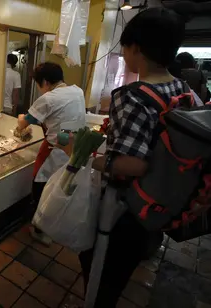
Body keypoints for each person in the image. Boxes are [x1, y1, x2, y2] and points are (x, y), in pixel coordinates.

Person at [81, 8, 189, 307]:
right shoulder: (182, 88)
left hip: (126, 208)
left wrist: (94, 160)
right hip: (164, 199)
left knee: (100, 274)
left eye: (125, 48)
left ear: (135, 48)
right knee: (124, 267)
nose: (125, 55)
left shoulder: (132, 95)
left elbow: (133, 164)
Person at [16, 62, 86, 245]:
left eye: (39, 85)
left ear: (45, 82)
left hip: (55, 148)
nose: (40, 90)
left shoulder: (49, 98)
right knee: (61, 185)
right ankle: (56, 223)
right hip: (73, 145)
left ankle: (41, 229)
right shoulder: (77, 91)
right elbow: (64, 118)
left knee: (40, 183)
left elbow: (25, 123)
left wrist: (20, 119)